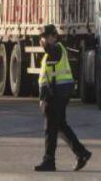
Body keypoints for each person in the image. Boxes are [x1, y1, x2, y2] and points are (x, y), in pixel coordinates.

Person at [33, 24, 91, 173]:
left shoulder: (56, 49)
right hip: (56, 93)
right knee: (60, 126)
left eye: (47, 37)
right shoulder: (54, 51)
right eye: (43, 37)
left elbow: (51, 52)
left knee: (50, 129)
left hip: (56, 94)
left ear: (54, 36)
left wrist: (45, 97)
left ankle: (49, 161)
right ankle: (81, 153)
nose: (44, 39)